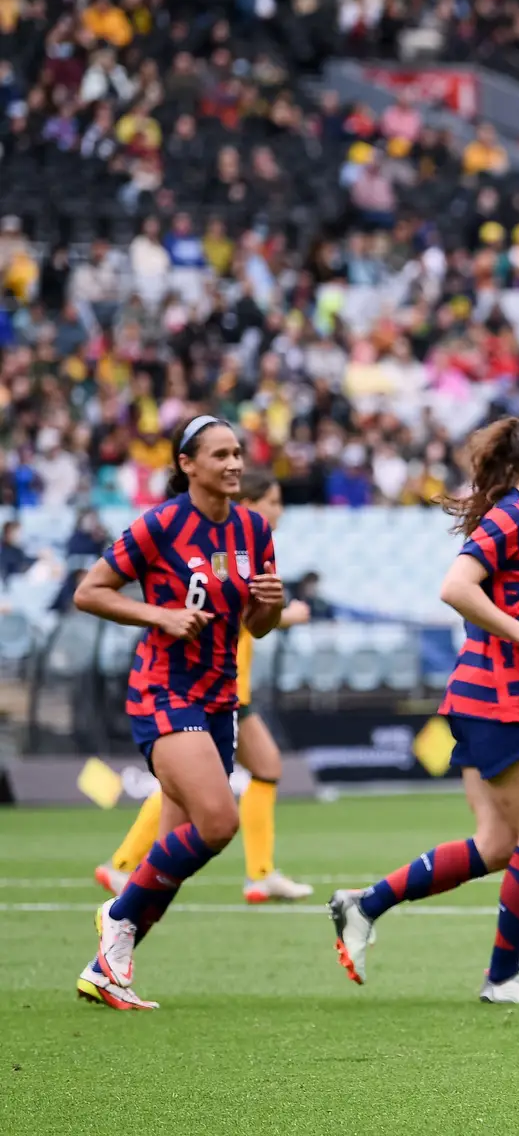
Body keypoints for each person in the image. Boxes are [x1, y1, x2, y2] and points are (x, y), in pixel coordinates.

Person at [327, 412, 519, 1005]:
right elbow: (456, 587)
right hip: (499, 697)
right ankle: (502, 979)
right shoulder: (513, 517)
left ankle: (364, 905)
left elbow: (508, 600)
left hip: (481, 694)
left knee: (498, 845)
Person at [72, 415, 285, 1010]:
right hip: (165, 690)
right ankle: (116, 916)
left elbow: (257, 626)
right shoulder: (160, 525)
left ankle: (107, 969)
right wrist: (159, 616)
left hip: (220, 698)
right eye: (219, 455)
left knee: (176, 855)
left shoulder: (253, 529)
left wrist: (272, 606)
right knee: (219, 823)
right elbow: (90, 591)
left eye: (238, 452)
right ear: (187, 465)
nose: (234, 463)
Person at [95, 471, 317, 903]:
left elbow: (252, 617)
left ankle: (257, 873)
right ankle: (125, 867)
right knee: (207, 790)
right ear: (251, 501)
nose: (278, 511)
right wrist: (285, 614)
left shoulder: (250, 545)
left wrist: (275, 609)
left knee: (260, 769)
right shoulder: (219, 546)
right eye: (272, 501)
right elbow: (224, 613)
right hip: (208, 686)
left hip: (231, 687)